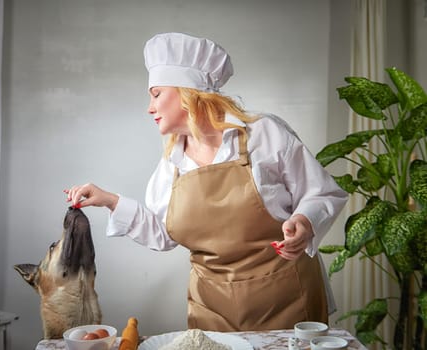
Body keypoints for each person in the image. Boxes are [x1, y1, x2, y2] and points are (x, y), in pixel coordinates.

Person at [64, 32, 348, 331]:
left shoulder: (263, 134)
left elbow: (321, 193)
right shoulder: (172, 163)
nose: (150, 107)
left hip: (288, 302)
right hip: (212, 310)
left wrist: (304, 222)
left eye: (156, 93)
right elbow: (164, 234)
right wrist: (109, 200)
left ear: (187, 92)